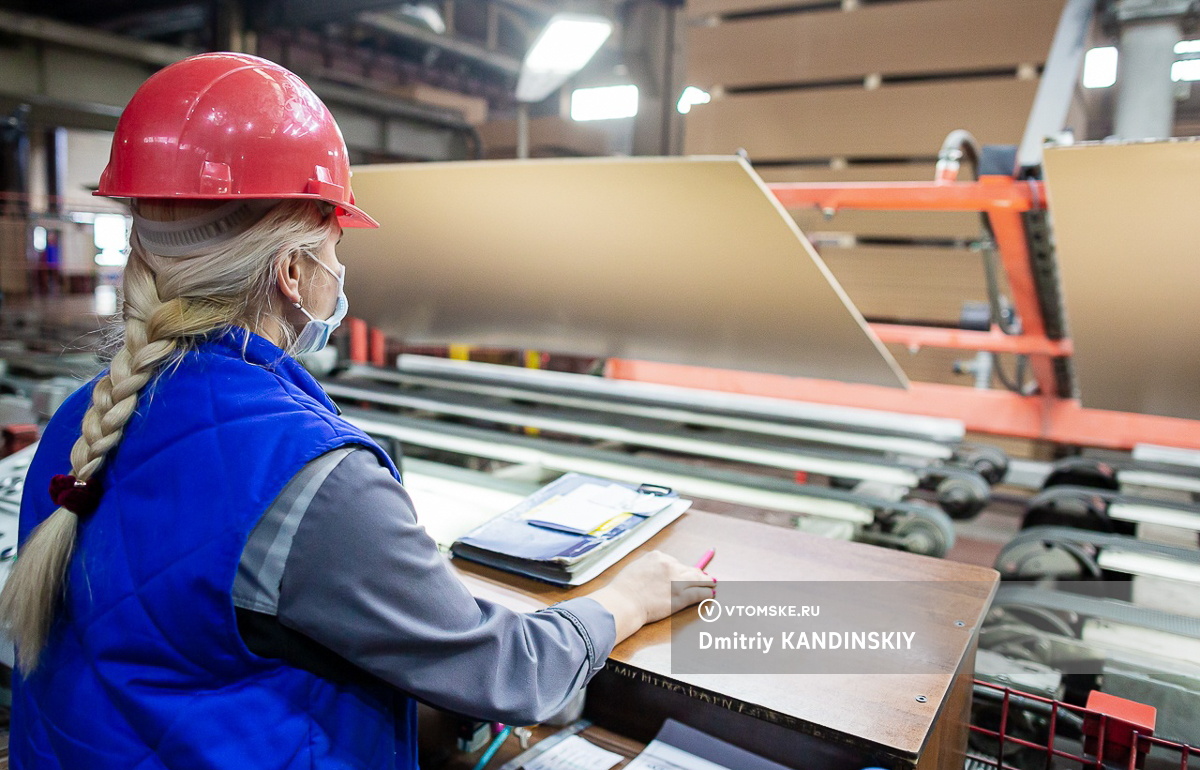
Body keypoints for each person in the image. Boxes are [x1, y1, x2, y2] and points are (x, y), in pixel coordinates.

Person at [0, 52, 715, 769]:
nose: (339, 272)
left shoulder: (78, 422)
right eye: (335, 245)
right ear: (290, 272)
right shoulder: (311, 478)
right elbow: (511, 673)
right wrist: (632, 597)